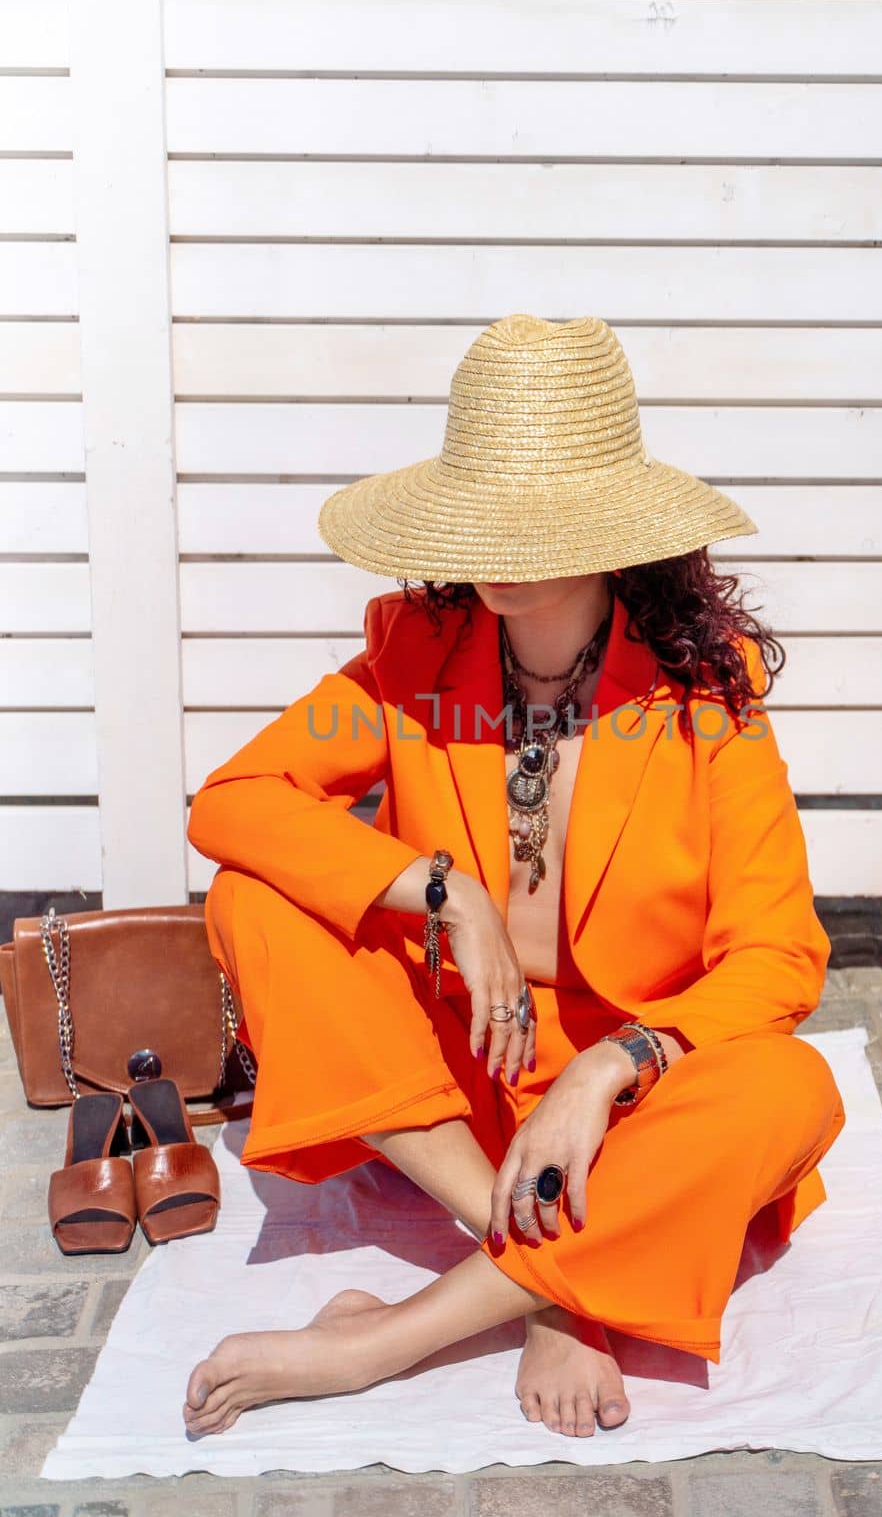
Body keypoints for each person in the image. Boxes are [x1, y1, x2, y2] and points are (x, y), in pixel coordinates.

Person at [181, 314, 847, 1440]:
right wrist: (441, 890)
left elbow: (779, 957)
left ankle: (388, 1336)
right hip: (455, 1073)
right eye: (477, 513)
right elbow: (232, 804)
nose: (494, 549)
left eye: (528, 518)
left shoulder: (704, 701)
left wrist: (607, 1068)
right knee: (256, 895)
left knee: (791, 1089)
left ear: (609, 529)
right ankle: (548, 1257)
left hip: (627, 1104)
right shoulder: (409, 657)